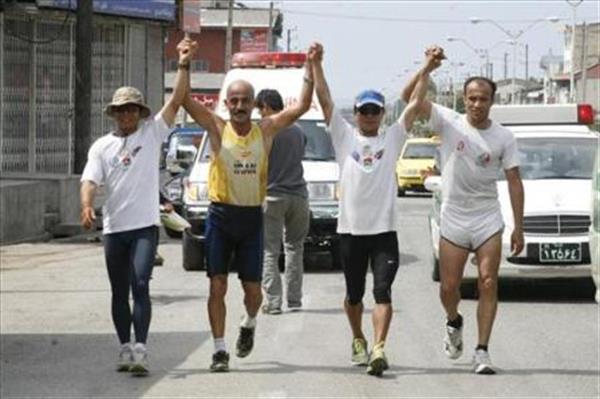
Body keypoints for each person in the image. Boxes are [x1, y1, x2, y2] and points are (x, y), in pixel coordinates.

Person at [182, 46, 316, 372]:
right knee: (217, 285)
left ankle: (249, 324)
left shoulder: (265, 130)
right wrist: (184, 62)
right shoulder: (216, 127)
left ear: (253, 105)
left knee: (253, 292)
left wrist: (310, 68)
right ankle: (218, 350)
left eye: (245, 101)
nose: (240, 106)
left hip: (251, 220)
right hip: (220, 216)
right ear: (227, 104)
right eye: (234, 101)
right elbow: (184, 100)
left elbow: (302, 107)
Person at [403, 46, 524, 374]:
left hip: (486, 216)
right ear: (464, 99)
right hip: (454, 215)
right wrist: (426, 68)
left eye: (483, 98)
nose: (476, 104)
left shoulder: (504, 137)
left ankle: (482, 350)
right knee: (449, 288)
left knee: (487, 281)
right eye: (471, 97)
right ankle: (454, 321)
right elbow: (407, 98)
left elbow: (514, 181)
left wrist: (519, 227)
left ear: (491, 102)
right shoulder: (447, 121)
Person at [79, 38, 196, 375]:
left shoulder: (152, 133)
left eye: (132, 108)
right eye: (121, 109)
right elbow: (89, 179)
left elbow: (176, 100)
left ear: (140, 112)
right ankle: (125, 348)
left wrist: (184, 63)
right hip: (115, 229)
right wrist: (87, 207)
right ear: (114, 114)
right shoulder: (102, 146)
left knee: (140, 284)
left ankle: (141, 348)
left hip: (145, 226)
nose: (127, 114)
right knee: (118, 291)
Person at [311, 42, 424, 377]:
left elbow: (416, 104)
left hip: (384, 232)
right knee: (354, 295)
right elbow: (325, 99)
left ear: (383, 114)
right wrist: (316, 64)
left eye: (376, 111)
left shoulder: (393, 138)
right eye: (365, 111)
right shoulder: (343, 137)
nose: (370, 116)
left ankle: (379, 348)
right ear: (356, 113)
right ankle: (358, 337)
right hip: (350, 232)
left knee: (382, 292)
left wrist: (427, 69)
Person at [255, 89, 310, 315]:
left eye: (260, 109)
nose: (260, 114)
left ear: (267, 107)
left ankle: (274, 302)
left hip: (272, 196)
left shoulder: (264, 131)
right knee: (295, 248)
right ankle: (295, 300)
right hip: (298, 195)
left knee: (270, 250)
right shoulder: (298, 131)